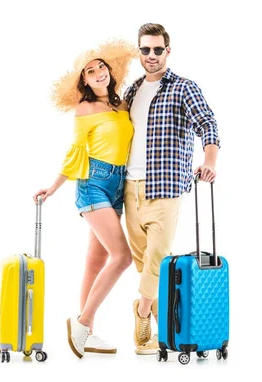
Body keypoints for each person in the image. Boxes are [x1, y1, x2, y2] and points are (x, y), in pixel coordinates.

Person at [33, 40, 138, 359]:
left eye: (100, 67)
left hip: (119, 184)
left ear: (109, 71)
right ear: (85, 81)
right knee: (122, 257)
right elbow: (75, 151)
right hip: (93, 183)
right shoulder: (86, 109)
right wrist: (53, 187)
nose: (97, 73)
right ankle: (83, 323)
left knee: (96, 260)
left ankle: (86, 335)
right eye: (90, 72)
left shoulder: (122, 105)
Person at [123, 23, 220, 355]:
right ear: (139, 51)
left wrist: (210, 161)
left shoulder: (183, 88)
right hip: (130, 187)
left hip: (165, 188)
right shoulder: (133, 90)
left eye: (158, 49)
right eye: (146, 49)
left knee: (158, 257)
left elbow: (207, 122)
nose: (152, 56)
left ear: (168, 50)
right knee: (142, 261)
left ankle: (142, 314)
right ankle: (155, 316)